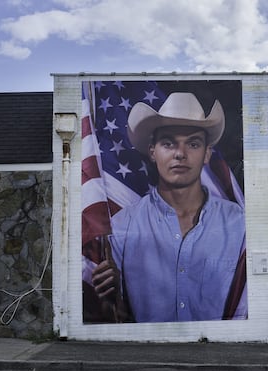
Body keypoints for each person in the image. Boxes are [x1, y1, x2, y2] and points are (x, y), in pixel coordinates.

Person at [91, 92, 246, 322]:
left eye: (193, 143)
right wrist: (112, 294)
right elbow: (111, 314)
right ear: (153, 152)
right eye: (168, 143)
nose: (180, 154)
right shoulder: (122, 226)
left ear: (207, 154)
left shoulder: (239, 225)